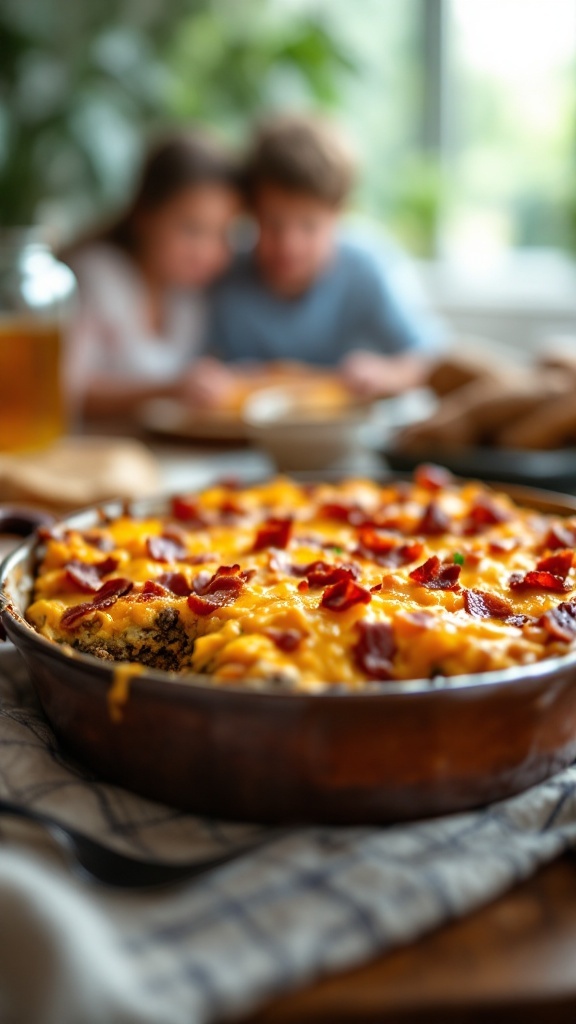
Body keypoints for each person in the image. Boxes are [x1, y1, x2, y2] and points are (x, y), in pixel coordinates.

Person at [206, 114, 446, 398]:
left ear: (339, 214)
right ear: (250, 213)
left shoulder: (364, 269)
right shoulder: (225, 273)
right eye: (272, 223)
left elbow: (435, 359)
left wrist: (387, 374)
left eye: (309, 226)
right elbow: (194, 364)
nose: (289, 245)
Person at [64, 131, 241, 419]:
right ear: (145, 214)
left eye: (222, 234)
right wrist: (168, 391)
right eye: (191, 229)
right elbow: (67, 391)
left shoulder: (188, 297)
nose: (206, 252)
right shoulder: (96, 278)